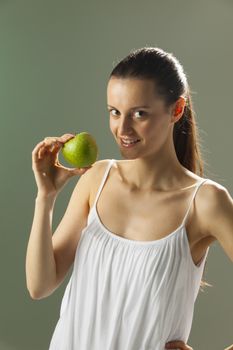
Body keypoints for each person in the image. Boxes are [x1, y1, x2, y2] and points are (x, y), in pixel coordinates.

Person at [26, 47, 233, 350]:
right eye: (114, 112)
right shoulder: (97, 178)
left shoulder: (205, 202)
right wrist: (45, 197)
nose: (122, 129)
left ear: (176, 110)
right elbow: (40, 286)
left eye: (139, 113)